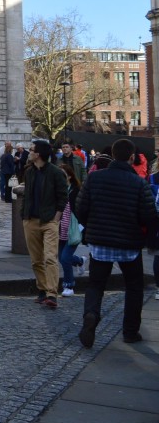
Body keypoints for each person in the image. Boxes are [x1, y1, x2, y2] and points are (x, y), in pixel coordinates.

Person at [75, 138, 159, 348]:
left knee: (95, 285)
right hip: (129, 244)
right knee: (133, 287)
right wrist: (148, 239)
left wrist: (91, 228)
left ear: (113, 155)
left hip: (100, 242)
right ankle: (130, 331)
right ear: (132, 157)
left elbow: (81, 208)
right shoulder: (139, 182)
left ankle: (91, 315)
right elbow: (149, 215)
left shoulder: (95, 179)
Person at [20, 140, 69, 309]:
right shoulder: (29, 172)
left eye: (31, 150)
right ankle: (42, 290)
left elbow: (63, 196)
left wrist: (56, 218)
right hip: (31, 220)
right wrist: (24, 217)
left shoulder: (56, 172)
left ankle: (52, 293)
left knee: (50, 257)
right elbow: (26, 195)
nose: (29, 152)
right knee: (36, 260)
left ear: (38, 154)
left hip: (49, 221)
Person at [57, 163, 86, 297]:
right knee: (62, 257)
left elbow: (82, 209)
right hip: (60, 228)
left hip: (73, 228)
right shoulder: (57, 189)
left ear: (69, 176)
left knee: (65, 258)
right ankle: (80, 261)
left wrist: (82, 226)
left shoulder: (76, 190)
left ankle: (69, 285)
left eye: (62, 175)